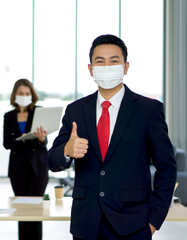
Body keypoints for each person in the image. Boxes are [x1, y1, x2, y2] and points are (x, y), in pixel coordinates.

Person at [48, 34, 176, 240]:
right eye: (100, 61)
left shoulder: (148, 110)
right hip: (86, 225)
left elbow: (167, 167)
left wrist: (153, 221)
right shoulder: (76, 111)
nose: (107, 66)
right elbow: (52, 162)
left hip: (133, 225)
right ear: (90, 69)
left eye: (114, 61)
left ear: (125, 67)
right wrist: (66, 151)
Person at [3, 79, 49, 240]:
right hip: (18, 169)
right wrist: (24, 139)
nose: (24, 96)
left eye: (27, 93)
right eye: (21, 93)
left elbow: (43, 143)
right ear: (15, 95)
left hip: (38, 168)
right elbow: (6, 143)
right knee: (22, 212)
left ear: (32, 95)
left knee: (36, 212)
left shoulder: (39, 111)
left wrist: (41, 138)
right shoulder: (9, 116)